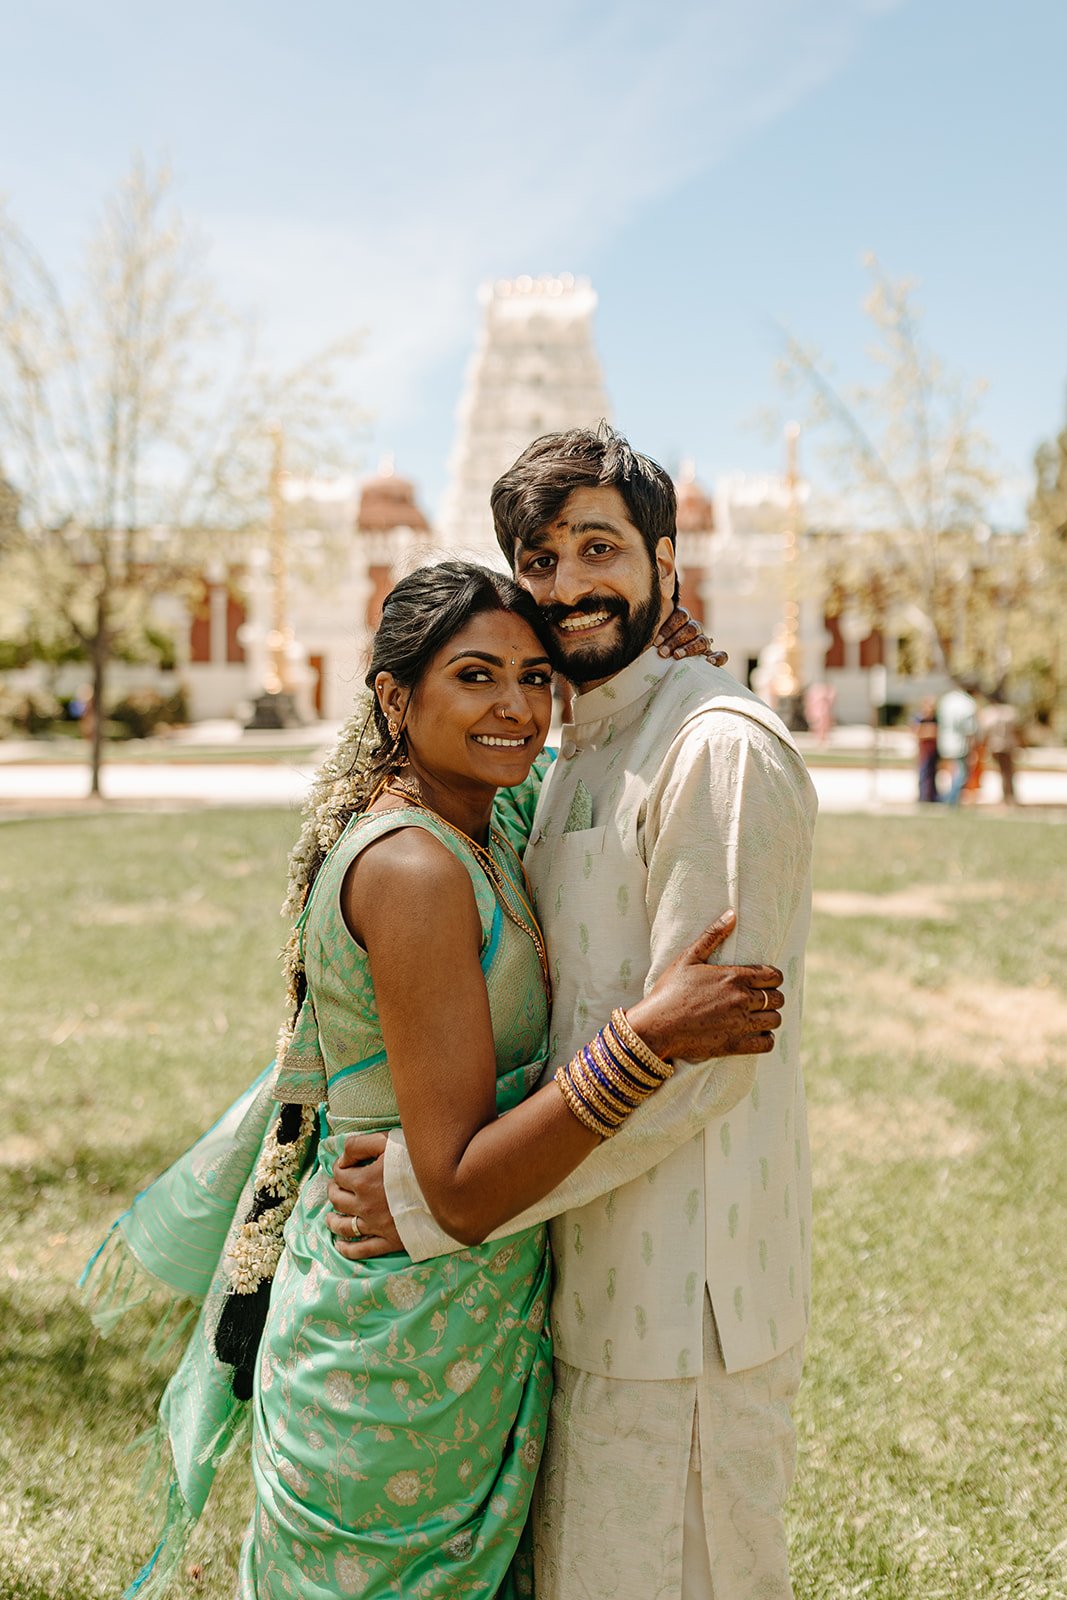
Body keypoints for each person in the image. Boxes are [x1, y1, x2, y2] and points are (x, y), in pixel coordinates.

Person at [83, 560, 786, 1600]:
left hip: (462, 1327)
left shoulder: (489, 817)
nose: (515, 706)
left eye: (535, 676)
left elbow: (595, 756)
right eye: (474, 675)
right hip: (390, 1353)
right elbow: (452, 1187)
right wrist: (647, 1040)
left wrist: (654, 652)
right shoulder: (413, 868)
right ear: (394, 697)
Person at [330, 426, 818, 1600]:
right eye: (536, 559)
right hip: (572, 1285)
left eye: (598, 548)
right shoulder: (576, 748)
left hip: (681, 1305)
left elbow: (703, 1065)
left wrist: (439, 1197)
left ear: (665, 563)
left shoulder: (716, 748)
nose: (564, 586)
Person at [937, 680, 979, 806]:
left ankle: (948, 798)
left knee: (950, 772)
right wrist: (973, 748)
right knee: (962, 773)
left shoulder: (947, 700)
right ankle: (950, 800)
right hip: (960, 744)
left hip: (945, 742)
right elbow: (969, 729)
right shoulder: (967, 704)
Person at [979, 689, 1019, 804]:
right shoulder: (1010, 712)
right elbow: (1017, 730)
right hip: (1008, 746)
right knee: (1008, 771)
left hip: (995, 746)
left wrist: (983, 746)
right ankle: (1009, 795)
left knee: (1002, 771)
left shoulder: (989, 713)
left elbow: (985, 733)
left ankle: (1006, 796)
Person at [913, 696, 940, 803]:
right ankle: (923, 797)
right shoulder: (920, 718)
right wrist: (930, 732)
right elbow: (917, 732)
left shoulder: (935, 718)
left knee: (933, 774)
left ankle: (932, 796)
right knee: (923, 773)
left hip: (933, 750)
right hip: (924, 751)